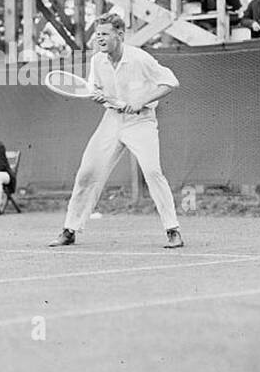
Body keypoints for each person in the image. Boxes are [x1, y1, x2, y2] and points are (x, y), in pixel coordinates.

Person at [49, 14, 184, 249]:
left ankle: (173, 230)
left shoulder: (141, 59)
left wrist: (142, 99)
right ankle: (70, 229)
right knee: (86, 173)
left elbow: (171, 82)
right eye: (97, 34)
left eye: (104, 34)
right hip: (111, 120)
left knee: (153, 172)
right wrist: (101, 99)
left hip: (141, 122)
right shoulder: (97, 62)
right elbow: (95, 91)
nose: (99, 38)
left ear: (120, 35)